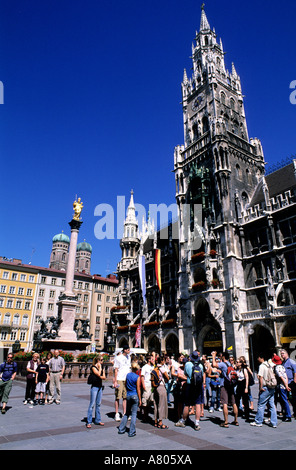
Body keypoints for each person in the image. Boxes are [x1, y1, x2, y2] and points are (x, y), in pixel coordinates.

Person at [175, 351, 205, 431]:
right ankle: (197, 423)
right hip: (198, 386)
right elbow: (202, 376)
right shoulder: (201, 365)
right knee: (198, 404)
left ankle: (183, 421)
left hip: (189, 385)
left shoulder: (187, 364)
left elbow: (185, 374)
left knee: (187, 404)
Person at [212, 350, 239, 428]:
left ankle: (226, 422)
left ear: (223, 357)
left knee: (224, 403)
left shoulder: (223, 364)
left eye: (221, 356)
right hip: (231, 384)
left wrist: (214, 356)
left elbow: (214, 364)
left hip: (224, 385)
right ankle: (236, 420)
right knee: (234, 403)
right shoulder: (230, 364)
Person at [250, 352, 277, 428]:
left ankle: (258, 421)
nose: (257, 359)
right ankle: (274, 422)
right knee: (272, 405)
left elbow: (261, 377)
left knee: (261, 404)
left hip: (265, 387)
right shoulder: (269, 364)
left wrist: (260, 388)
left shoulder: (262, 366)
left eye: (258, 358)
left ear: (260, 358)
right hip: (271, 386)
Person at [118, 362, 142, 437]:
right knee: (134, 414)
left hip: (128, 395)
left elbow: (125, 384)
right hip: (135, 395)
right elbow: (138, 389)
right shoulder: (137, 377)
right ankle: (131, 432)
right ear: (137, 369)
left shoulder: (128, 375)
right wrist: (140, 399)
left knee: (127, 413)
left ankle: (121, 429)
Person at [86, 354, 106, 428]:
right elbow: (98, 373)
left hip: (100, 387)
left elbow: (104, 377)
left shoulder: (102, 367)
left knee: (98, 404)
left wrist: (100, 375)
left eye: (102, 360)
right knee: (92, 404)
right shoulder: (93, 367)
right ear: (98, 360)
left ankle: (98, 420)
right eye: (101, 360)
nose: (102, 361)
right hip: (94, 387)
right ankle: (89, 421)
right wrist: (100, 368)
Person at [271, 353, 291, 422]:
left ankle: (288, 415)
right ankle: (286, 414)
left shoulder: (277, 368)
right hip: (285, 384)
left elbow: (281, 377)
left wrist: (286, 386)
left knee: (284, 400)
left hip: (282, 386)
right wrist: (287, 384)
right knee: (284, 400)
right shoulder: (282, 366)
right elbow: (285, 376)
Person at [113, 345, 131, 421]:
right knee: (117, 397)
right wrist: (115, 381)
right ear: (124, 350)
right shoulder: (118, 358)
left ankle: (125, 413)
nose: (129, 351)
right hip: (120, 379)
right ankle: (116, 414)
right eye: (128, 350)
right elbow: (116, 370)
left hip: (126, 379)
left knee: (125, 397)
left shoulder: (128, 357)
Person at [151, 355, 169, 429]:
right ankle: (160, 422)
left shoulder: (154, 368)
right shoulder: (162, 368)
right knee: (161, 405)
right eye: (164, 360)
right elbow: (167, 377)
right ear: (162, 361)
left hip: (155, 387)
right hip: (161, 387)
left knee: (156, 404)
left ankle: (155, 421)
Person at [280, 349, 296, 419]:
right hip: (286, 382)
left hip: (291, 382)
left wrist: (295, 379)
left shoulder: (291, 361)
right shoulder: (283, 362)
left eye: (283, 353)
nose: (282, 355)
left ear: (287, 354)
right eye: (281, 354)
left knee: (294, 398)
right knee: (290, 398)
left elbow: (295, 371)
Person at [235, 356, 250, 422]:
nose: (237, 363)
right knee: (237, 399)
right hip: (239, 384)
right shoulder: (237, 370)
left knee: (245, 400)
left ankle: (247, 414)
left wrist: (246, 387)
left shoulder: (244, 369)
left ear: (241, 363)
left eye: (238, 362)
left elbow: (247, 378)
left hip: (244, 384)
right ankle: (238, 411)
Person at [140, 354, 155, 422]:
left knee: (150, 401)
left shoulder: (153, 367)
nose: (153, 360)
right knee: (145, 400)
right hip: (147, 385)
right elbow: (142, 376)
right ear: (149, 360)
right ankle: (145, 416)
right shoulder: (145, 367)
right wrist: (143, 385)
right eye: (152, 359)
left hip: (152, 385)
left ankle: (147, 415)